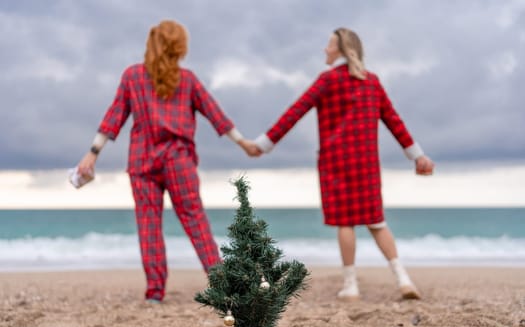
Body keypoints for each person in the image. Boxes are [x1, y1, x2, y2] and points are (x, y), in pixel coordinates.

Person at [76, 20, 260, 303]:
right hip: (178, 161)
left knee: (148, 224)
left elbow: (114, 117)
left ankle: (155, 292)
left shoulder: (132, 76)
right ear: (180, 48)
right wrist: (243, 142)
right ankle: (221, 284)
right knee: (195, 221)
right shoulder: (187, 80)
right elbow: (215, 114)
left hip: (142, 161)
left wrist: (92, 153)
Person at [254, 28, 434, 300]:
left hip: (335, 163)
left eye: (328, 45)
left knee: (346, 223)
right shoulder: (371, 82)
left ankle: (351, 286)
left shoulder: (327, 81)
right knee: (376, 221)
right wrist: (417, 155)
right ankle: (403, 279)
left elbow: (296, 111)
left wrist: (264, 144)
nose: (325, 50)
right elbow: (394, 121)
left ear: (340, 49)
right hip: (366, 163)